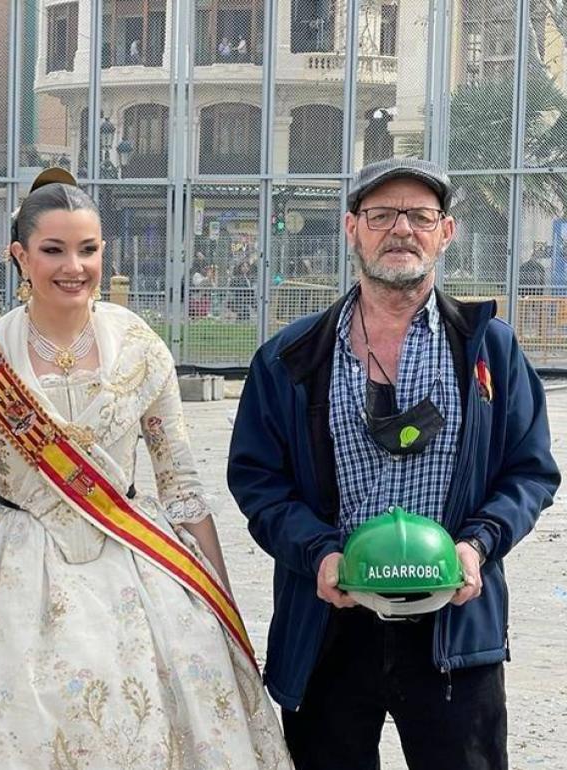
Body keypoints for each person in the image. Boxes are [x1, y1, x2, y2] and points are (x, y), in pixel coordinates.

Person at [0, 168, 291, 768]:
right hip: (16, 575)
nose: (74, 266)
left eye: (88, 249)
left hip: (135, 558)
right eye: (53, 250)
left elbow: (182, 489)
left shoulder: (142, 347)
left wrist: (220, 602)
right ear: (19, 256)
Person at [227, 157, 560, 770]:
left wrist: (479, 544)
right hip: (332, 620)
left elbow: (530, 471)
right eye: (382, 214)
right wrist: (320, 551)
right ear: (352, 227)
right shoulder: (291, 357)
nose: (401, 228)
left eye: (419, 215)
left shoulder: (490, 349)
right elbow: (257, 480)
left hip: (453, 628)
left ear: (446, 231)